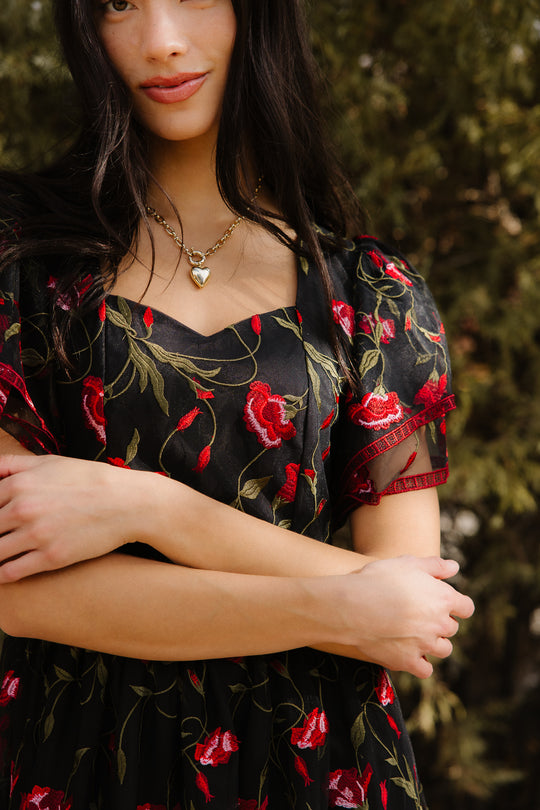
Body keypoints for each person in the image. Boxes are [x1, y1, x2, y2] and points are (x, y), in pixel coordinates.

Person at [0, 0, 474, 807]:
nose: (161, 42)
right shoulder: (21, 267)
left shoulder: (374, 299)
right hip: (81, 761)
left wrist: (147, 507)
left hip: (326, 771)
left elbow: (413, 607)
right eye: (118, 5)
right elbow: (21, 593)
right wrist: (336, 607)